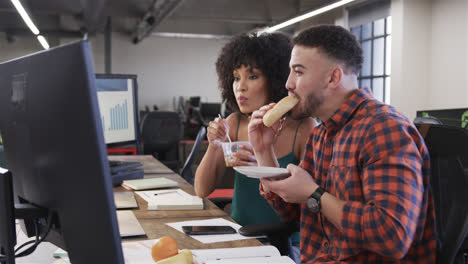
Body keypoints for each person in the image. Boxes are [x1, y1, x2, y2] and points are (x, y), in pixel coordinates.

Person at [248, 25, 436, 263]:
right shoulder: (321, 134)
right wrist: (264, 150)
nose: (288, 84)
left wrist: (313, 193)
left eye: (298, 72)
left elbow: (392, 235)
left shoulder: (383, 129)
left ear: (333, 77)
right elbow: (293, 213)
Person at [194, 32, 317, 261]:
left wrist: (264, 165)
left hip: (286, 245)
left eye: (252, 77)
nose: (240, 87)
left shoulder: (304, 128)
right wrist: (214, 145)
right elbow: (201, 190)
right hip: (238, 238)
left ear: (275, 78)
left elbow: (311, 201)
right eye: (236, 77)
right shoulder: (234, 123)